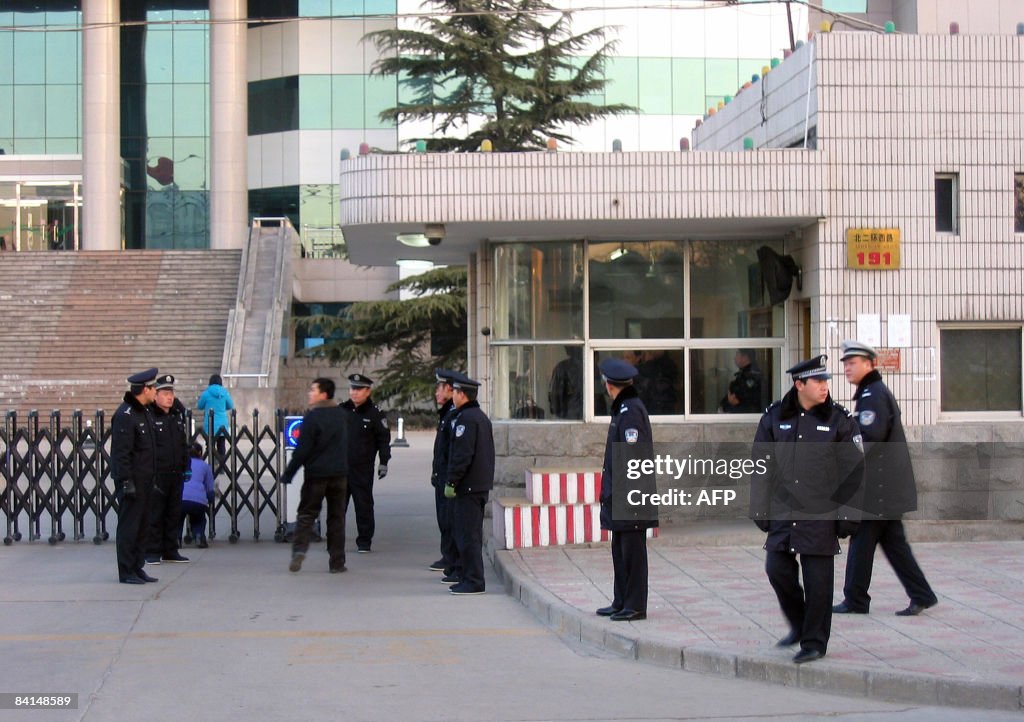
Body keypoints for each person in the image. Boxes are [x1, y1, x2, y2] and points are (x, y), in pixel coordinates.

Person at [750, 354, 865, 664]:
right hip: (784, 512)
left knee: (818, 583)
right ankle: (799, 625)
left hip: (821, 515)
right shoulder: (775, 417)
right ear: (799, 384)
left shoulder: (839, 420)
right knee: (777, 570)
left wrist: (848, 517)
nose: (824, 386)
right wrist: (760, 510)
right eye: (817, 381)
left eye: (826, 380)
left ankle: (814, 642)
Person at [833, 339, 938, 617]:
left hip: (879, 488)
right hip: (885, 488)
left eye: (852, 363)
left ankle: (856, 599)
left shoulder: (873, 395)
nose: (847, 368)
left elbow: (870, 438)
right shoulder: (872, 392)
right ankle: (921, 594)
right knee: (893, 544)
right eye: (845, 363)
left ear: (869, 364)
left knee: (863, 540)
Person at [594, 358, 658, 622]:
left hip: (631, 496)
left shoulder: (630, 411)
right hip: (620, 495)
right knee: (620, 551)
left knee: (632, 554)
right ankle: (621, 600)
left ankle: (635, 605)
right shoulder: (622, 409)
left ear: (610, 385)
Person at [281, 377, 350, 574]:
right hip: (339, 475)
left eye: (313, 390)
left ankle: (299, 551)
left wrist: (289, 473)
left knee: (307, 514)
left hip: (317, 474)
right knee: (337, 518)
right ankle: (337, 562)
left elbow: (302, 450)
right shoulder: (342, 415)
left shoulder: (313, 417)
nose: (310, 393)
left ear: (324, 394)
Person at [443, 372, 494, 595]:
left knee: (468, 535)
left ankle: (473, 580)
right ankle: (468, 576)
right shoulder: (480, 417)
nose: (452, 395)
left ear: (462, 395)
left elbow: (462, 455)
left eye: (454, 392)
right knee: (469, 533)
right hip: (479, 486)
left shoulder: (466, 420)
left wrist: (452, 481)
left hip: (469, 487)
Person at [110, 368, 160, 585]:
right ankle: (126, 570)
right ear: (144, 389)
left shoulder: (145, 412)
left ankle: (137, 566)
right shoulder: (125, 415)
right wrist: (126, 481)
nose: (156, 391)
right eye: (154, 388)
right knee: (129, 527)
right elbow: (121, 453)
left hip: (147, 480)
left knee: (142, 526)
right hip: (133, 481)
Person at [340, 373, 391, 553]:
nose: (354, 393)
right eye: (352, 388)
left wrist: (384, 461)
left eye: (359, 389)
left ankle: (364, 541)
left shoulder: (375, 414)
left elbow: (383, 440)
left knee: (363, 506)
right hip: (340, 469)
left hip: (362, 469)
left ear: (368, 391)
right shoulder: (341, 410)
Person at [146, 374, 191, 565]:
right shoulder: (149, 416)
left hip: (176, 473)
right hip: (158, 473)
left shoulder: (176, 417)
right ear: (155, 396)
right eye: (165, 393)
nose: (169, 397)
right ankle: (153, 551)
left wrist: (186, 467)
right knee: (156, 513)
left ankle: (170, 550)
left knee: (174, 513)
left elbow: (183, 445)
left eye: (171, 393)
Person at [429, 369, 461, 582]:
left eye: (439, 388)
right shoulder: (446, 414)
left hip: (448, 477)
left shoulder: (453, 415)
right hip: (441, 475)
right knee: (443, 517)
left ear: (450, 390)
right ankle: (447, 557)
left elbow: (454, 452)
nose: (436, 393)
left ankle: (451, 559)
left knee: (449, 519)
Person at [197, 373, 235, 471]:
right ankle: (221, 466)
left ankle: (211, 464)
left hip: (210, 424)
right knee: (221, 445)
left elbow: (200, 406)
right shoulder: (224, 393)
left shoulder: (206, 393)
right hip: (222, 423)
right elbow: (230, 405)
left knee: (210, 445)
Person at [181, 441, 216, 548]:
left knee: (176, 520)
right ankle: (199, 536)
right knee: (199, 519)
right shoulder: (205, 466)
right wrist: (210, 499)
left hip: (180, 498)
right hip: (198, 500)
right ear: (200, 453)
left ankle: (175, 538)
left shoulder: (180, 463)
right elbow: (210, 488)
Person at [720, 348, 764, 413]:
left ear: (745, 357)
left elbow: (739, 398)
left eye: (737, 354)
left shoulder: (751, 375)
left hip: (747, 417)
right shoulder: (744, 374)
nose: (734, 358)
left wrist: (730, 402)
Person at [548, 346, 583, 419]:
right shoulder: (561, 367)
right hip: (568, 413)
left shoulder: (587, 366)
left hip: (579, 412)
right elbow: (554, 392)